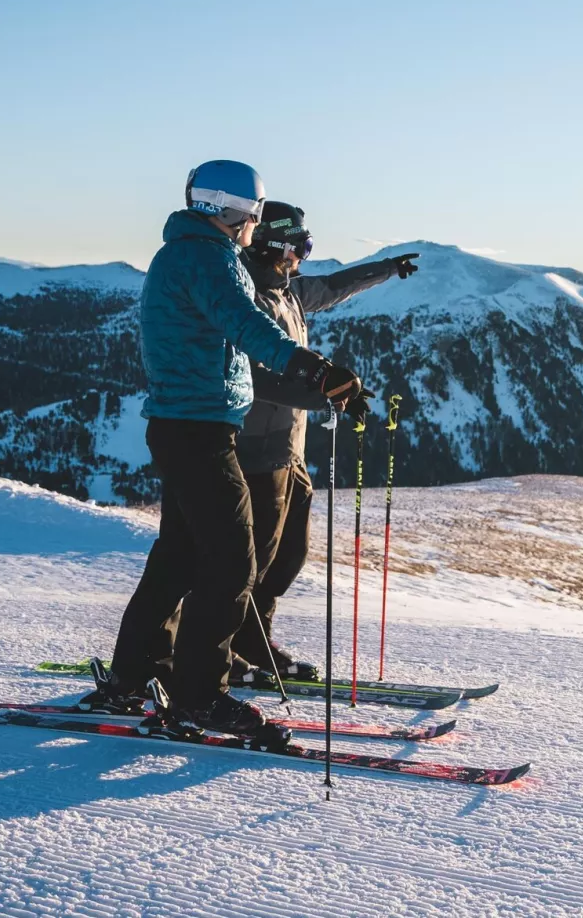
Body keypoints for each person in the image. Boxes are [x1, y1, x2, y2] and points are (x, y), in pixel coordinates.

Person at [102, 161, 361, 737]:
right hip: (198, 429)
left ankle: (135, 675)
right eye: (253, 210)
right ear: (231, 208)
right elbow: (244, 323)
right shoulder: (207, 257)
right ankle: (199, 696)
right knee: (231, 562)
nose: (256, 222)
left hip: (187, 424)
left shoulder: (186, 253)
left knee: (180, 557)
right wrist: (311, 367)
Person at [229, 201, 419, 681]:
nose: (304, 256)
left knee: (288, 557)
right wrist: (326, 396)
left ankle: (255, 642)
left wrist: (386, 269)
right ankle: (228, 651)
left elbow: (336, 288)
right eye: (301, 246)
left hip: (289, 449)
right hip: (255, 450)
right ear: (277, 246)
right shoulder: (248, 299)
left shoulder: (287, 291)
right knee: (248, 562)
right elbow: (258, 380)